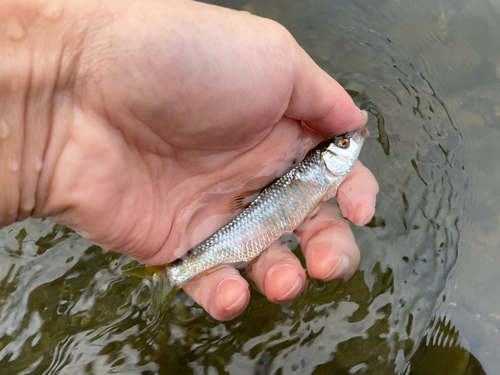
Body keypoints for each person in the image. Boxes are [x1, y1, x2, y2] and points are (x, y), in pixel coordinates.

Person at [0, 0, 379, 321]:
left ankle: (172, 275)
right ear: (330, 158)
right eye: (343, 145)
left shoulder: (320, 170)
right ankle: (172, 275)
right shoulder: (323, 170)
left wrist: (50, 96)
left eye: (343, 144)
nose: (352, 142)